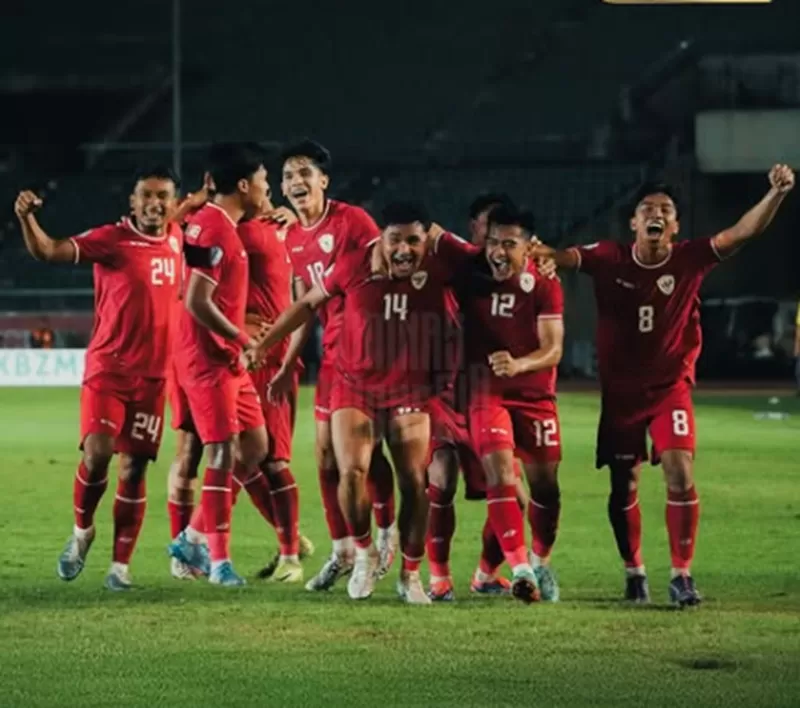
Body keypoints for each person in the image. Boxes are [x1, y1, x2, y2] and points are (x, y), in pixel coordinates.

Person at [531, 165, 795, 606]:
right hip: (620, 396)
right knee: (623, 487)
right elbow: (565, 257)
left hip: (669, 388)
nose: (656, 213)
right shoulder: (608, 257)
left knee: (679, 469)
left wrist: (776, 194)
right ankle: (634, 572)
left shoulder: (690, 257)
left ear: (674, 226)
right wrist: (541, 254)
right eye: (647, 208)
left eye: (665, 210)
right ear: (633, 222)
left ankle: (681, 576)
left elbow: (740, 233)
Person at [251, 202, 477, 604]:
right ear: (381, 239)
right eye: (396, 240)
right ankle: (364, 553)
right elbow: (306, 305)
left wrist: (445, 237)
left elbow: (487, 264)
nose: (405, 249)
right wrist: (264, 345)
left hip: (411, 390)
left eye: (414, 240)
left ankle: (410, 574)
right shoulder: (354, 265)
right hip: (355, 387)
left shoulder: (439, 266)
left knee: (414, 480)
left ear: (426, 240)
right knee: (350, 471)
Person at [14, 166, 183, 590]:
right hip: (108, 370)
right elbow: (49, 250)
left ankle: (120, 567)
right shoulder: (112, 239)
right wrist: (26, 218)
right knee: (98, 453)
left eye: (163, 195)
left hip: (154, 378)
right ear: (132, 201)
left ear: (174, 202)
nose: (155, 203)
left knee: (136, 469)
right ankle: (82, 532)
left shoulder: (182, 236)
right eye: (146, 195)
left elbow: (211, 205)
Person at [272, 139, 397, 592]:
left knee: (362, 456)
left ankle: (383, 535)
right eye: (287, 175)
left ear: (324, 180)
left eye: (304, 172)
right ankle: (344, 549)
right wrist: (288, 364)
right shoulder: (292, 238)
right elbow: (306, 304)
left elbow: (383, 274)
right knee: (326, 458)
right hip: (333, 359)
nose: (295, 182)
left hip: (370, 358)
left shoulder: (353, 221)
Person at [167, 142, 271, 587]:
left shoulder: (215, 224)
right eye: (265, 182)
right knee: (223, 452)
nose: (268, 190)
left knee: (256, 448)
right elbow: (196, 300)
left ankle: (192, 535)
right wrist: (240, 335)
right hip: (207, 360)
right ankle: (219, 563)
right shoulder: (213, 229)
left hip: (228, 359)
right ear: (244, 185)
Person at [457, 205, 565, 603]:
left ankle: (533, 563)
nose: (497, 252)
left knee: (546, 491)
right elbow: (430, 238)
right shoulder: (469, 274)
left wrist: (519, 363)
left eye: (509, 244)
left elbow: (553, 349)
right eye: (492, 242)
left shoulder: (545, 284)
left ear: (530, 247)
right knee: (501, 474)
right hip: (486, 391)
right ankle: (521, 570)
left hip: (535, 396)